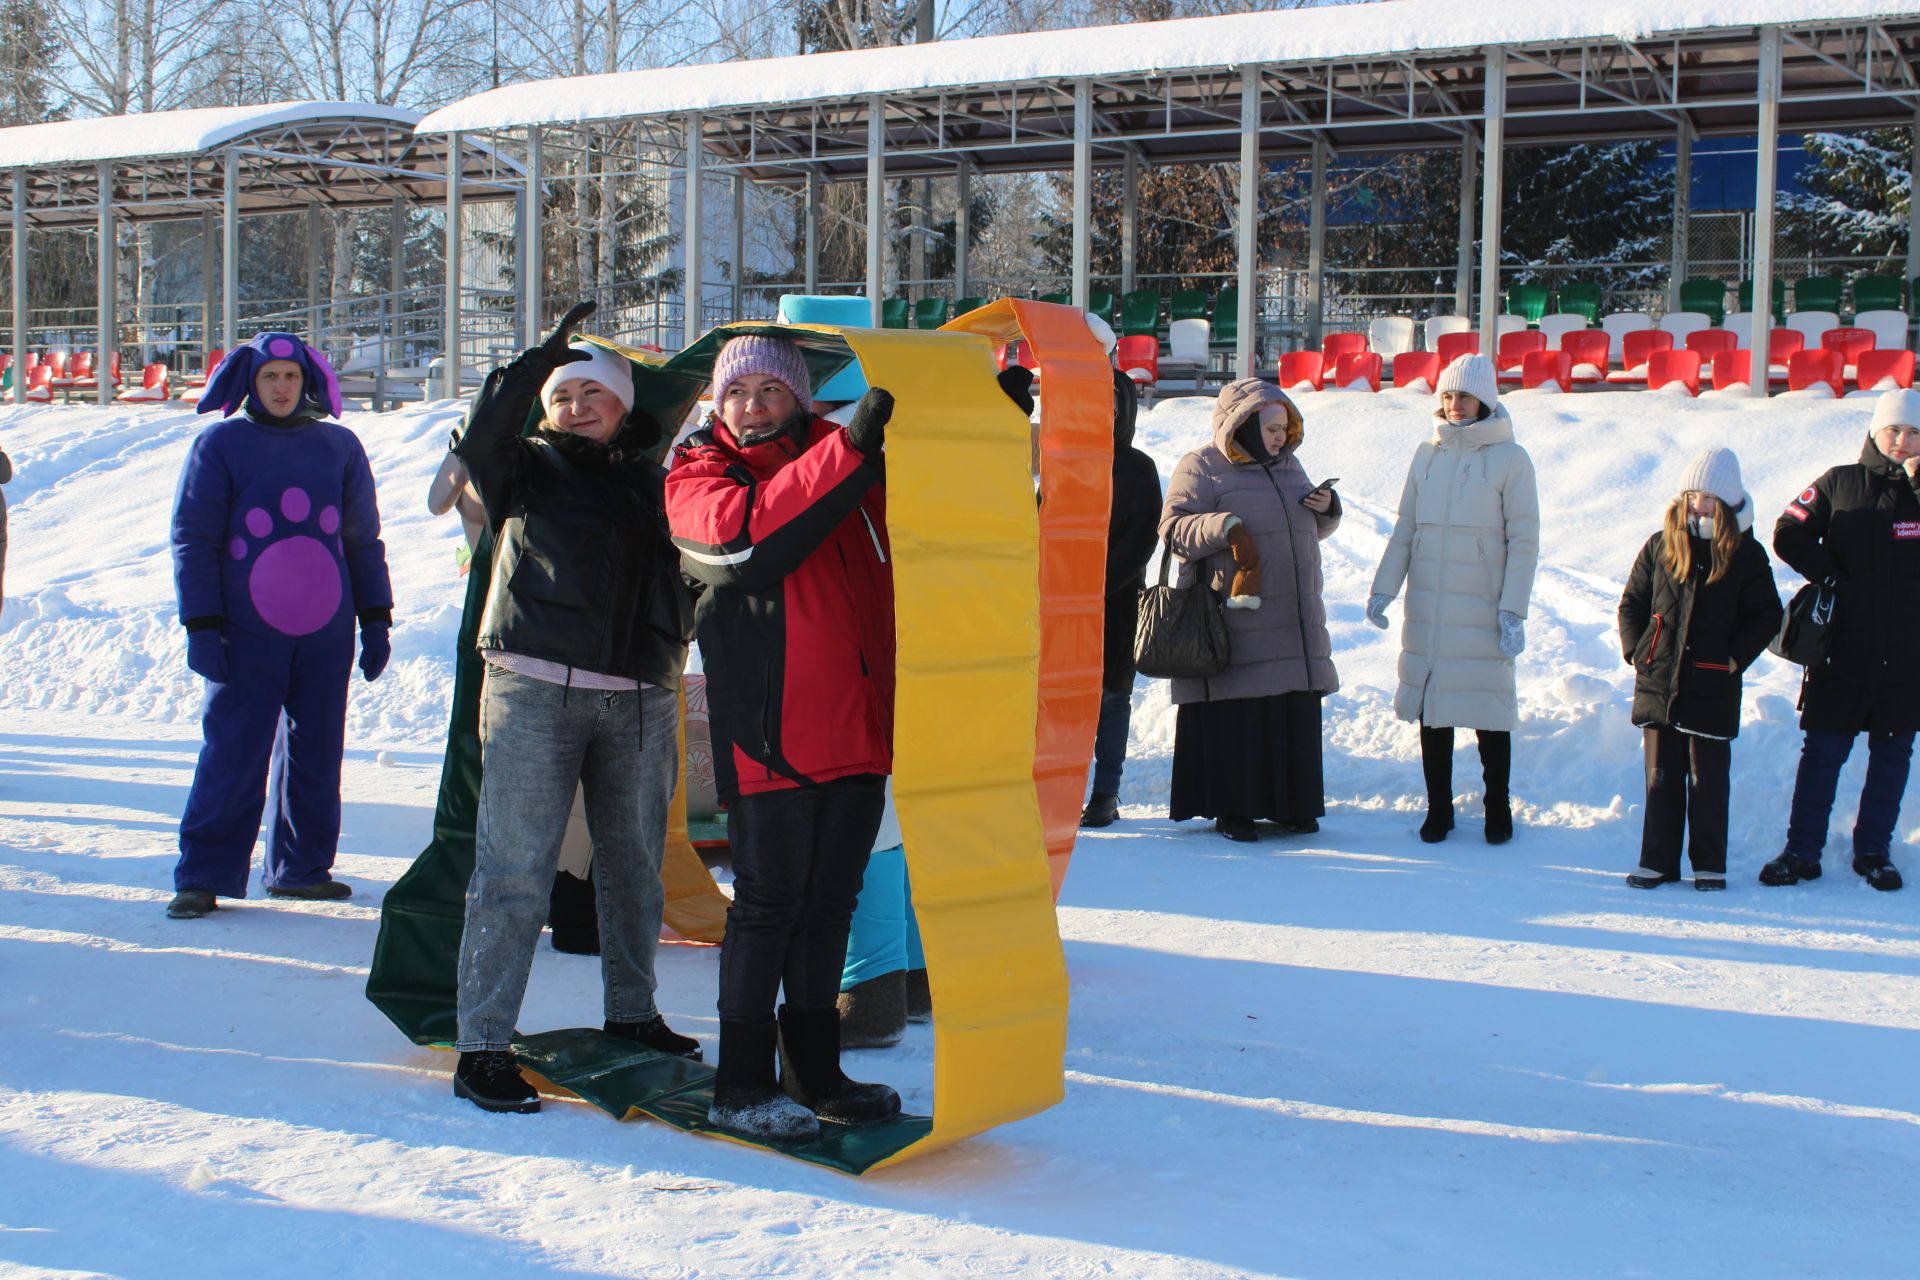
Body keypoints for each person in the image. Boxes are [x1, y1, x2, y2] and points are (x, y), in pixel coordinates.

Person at [448, 303, 698, 1115]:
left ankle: (633, 1014)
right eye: (563, 394)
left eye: (594, 392)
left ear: (626, 406)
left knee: (634, 870)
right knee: (513, 871)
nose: (576, 405)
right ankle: (482, 1045)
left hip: (637, 696)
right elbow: (479, 442)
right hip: (532, 687)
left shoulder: (662, 483)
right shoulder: (523, 465)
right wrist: (528, 368)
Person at [666, 334, 900, 1141]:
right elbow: (742, 544)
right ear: (716, 405)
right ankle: (740, 1083)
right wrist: (849, 450)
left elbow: (944, 508)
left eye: (771, 389)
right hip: (768, 729)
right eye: (738, 392)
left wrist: (987, 427)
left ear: (801, 398)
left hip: (861, 722)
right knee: (768, 905)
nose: (753, 405)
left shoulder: (853, 456)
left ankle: (814, 1067)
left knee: (832, 902)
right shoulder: (700, 475)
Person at [166, 332, 392, 920]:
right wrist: (202, 624)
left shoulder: (340, 447)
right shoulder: (221, 444)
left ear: (308, 381)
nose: (282, 387)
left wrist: (376, 619)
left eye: (291, 377)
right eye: (271, 377)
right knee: (234, 749)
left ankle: (301, 868)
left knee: (317, 750)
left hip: (326, 629)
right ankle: (203, 873)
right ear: (250, 381)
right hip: (245, 631)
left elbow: (362, 541)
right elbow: (194, 539)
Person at [1367, 353, 1539, 845]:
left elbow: (1525, 540)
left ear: (1485, 400)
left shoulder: (1512, 459)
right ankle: (1438, 808)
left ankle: (1496, 805)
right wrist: (1385, 587)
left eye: (1463, 396)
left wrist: (1513, 609)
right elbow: (1405, 527)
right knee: (1433, 708)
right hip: (1430, 603)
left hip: (1482, 604)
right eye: (1447, 395)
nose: (1454, 405)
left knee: (1489, 708)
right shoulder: (1427, 453)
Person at [1158, 378, 1340, 843]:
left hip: (1291, 613)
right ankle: (1232, 808)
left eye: (1284, 427)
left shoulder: (1288, 466)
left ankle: (1290, 805)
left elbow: (1301, 528)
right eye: (1272, 427)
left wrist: (1326, 510)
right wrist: (1223, 526)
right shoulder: (1202, 465)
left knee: (1287, 712)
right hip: (1233, 614)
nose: (1280, 436)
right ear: (1243, 423)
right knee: (1238, 714)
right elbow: (1174, 529)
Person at [1761, 388, 1920, 891]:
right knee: (1824, 751)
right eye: (1894, 430)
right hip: (1842, 649)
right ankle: (1801, 851)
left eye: (1914, 432)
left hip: (1907, 655)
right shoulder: (1839, 482)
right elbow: (1788, 531)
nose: (1902, 440)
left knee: (1892, 755)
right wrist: (1830, 576)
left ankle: (1874, 850)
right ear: (1876, 431)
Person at [1616, 449, 1782, 890]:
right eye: (1693, 494)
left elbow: (1767, 614)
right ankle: (1657, 861)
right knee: (1661, 775)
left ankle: (1709, 863)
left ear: (1727, 503)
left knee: (1707, 778)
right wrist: (1638, 649)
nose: (1699, 504)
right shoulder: (1660, 544)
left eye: (1709, 497)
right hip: (1659, 677)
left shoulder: (1745, 553)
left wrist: (1734, 658)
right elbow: (1632, 602)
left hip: (1712, 680)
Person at [1081, 369, 1165, 829]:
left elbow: (1141, 540)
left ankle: (1105, 794)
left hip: (1116, 603)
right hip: (1062, 604)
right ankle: (1064, 787)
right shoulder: (1064, 460)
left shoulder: (1138, 467)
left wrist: (1094, 584)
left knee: (1113, 699)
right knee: (1066, 702)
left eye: (1109, 402)